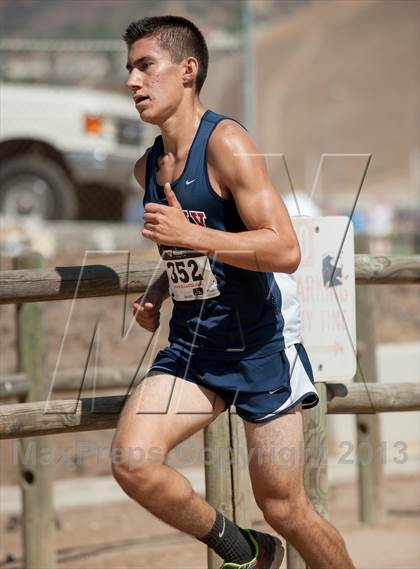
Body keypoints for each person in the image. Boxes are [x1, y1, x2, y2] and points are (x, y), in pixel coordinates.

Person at [111, 15, 355, 569]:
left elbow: (284, 249)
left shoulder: (228, 144)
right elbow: (193, 244)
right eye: (129, 69)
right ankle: (246, 551)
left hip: (260, 349)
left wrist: (189, 235)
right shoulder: (147, 166)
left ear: (188, 69)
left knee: (285, 506)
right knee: (133, 462)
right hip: (194, 350)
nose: (132, 81)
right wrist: (161, 287)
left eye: (145, 66)